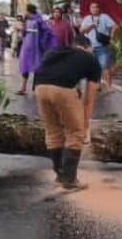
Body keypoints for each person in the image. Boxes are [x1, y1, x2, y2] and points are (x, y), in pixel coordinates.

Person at [33, 36, 101, 191]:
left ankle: (60, 176)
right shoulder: (90, 59)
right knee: (75, 133)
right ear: (87, 47)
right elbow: (89, 99)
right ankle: (70, 181)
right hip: (62, 89)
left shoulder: (55, 51)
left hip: (40, 87)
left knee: (53, 131)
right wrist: (84, 124)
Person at [79, 1, 118, 92]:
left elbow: (115, 26)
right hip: (90, 47)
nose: (94, 9)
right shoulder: (87, 18)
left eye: (96, 7)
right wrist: (92, 25)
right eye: (92, 7)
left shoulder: (104, 17)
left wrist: (111, 37)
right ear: (90, 9)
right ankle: (97, 85)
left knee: (105, 66)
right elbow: (82, 31)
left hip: (102, 46)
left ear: (99, 8)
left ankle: (109, 86)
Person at [16, 4, 53, 95]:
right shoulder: (26, 20)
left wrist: (42, 42)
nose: (25, 12)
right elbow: (24, 32)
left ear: (29, 11)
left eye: (25, 10)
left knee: (37, 66)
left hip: (36, 46)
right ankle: (23, 87)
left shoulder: (39, 20)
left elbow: (46, 31)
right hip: (27, 45)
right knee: (25, 65)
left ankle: (37, 88)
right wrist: (22, 29)